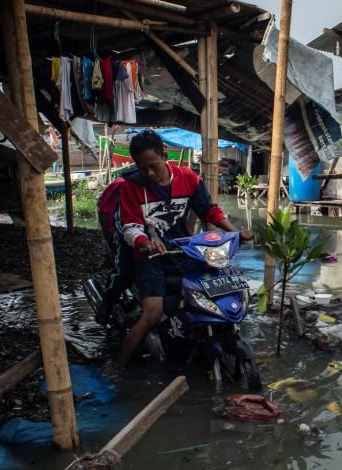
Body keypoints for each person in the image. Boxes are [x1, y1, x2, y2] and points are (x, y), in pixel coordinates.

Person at [116, 131, 246, 366]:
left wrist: (233, 231)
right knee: (152, 315)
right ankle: (120, 368)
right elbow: (130, 227)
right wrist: (146, 242)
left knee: (214, 293)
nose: (149, 173)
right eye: (142, 168)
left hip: (184, 252)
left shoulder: (188, 178)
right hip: (151, 257)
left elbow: (209, 210)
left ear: (164, 154)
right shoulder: (131, 186)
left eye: (153, 166)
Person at [94, 172, 133, 325]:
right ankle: (106, 306)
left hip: (150, 236)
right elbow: (104, 210)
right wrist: (109, 236)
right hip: (120, 232)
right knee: (123, 271)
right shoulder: (120, 184)